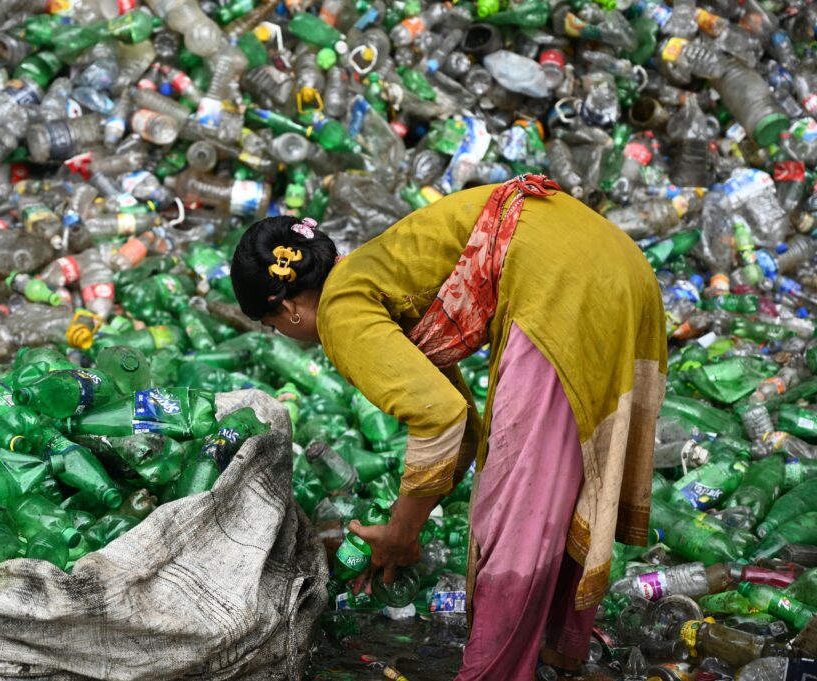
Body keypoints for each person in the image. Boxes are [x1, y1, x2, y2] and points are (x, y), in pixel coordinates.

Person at [230, 175, 667, 679]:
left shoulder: (339, 311)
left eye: (271, 327)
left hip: (561, 283)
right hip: (616, 261)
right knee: (558, 478)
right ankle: (554, 649)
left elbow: (440, 418)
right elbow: (461, 427)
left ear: (284, 309)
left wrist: (402, 531)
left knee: (515, 509)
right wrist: (406, 521)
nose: (284, 336)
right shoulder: (373, 273)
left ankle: (494, 672)